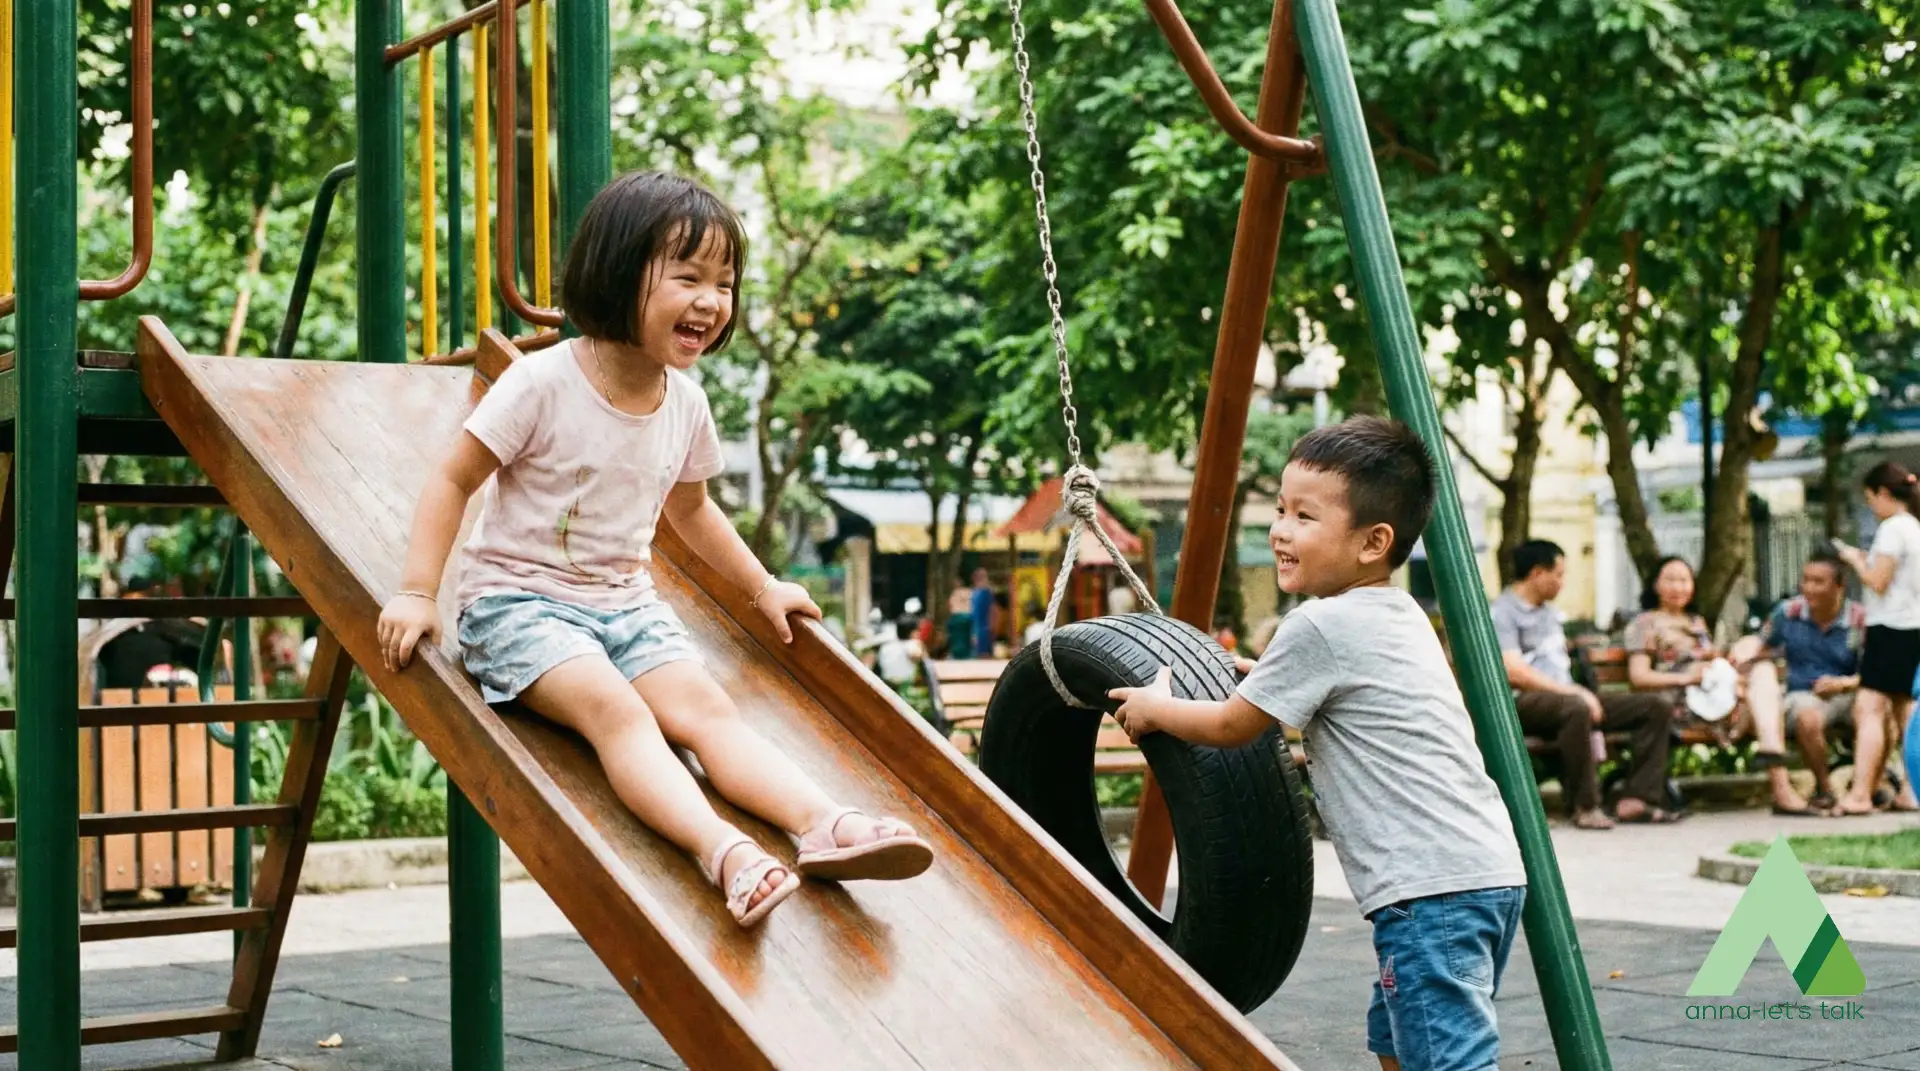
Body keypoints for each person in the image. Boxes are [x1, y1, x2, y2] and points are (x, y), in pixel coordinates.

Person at [376, 171, 932, 929]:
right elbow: (453, 477)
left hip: (626, 605)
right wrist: (416, 590)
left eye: (725, 282)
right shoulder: (542, 383)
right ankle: (725, 853)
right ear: (617, 270)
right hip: (516, 606)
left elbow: (693, 510)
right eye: (688, 276)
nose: (710, 299)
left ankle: (822, 823)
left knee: (710, 711)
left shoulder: (688, 402)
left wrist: (762, 584)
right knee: (618, 711)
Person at [1108, 417, 1526, 1071]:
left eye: (1305, 516)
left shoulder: (1320, 625)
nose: (1279, 529)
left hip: (1427, 889)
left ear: (1372, 541)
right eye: (1281, 509)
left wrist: (1157, 709)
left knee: (1447, 1059)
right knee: (1397, 1038)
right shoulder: (1399, 611)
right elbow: (1333, 691)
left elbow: (1230, 726)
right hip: (1483, 871)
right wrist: (1260, 675)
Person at [1491, 540, 1675, 828]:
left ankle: (1638, 798)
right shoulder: (1503, 612)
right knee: (1576, 708)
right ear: (1538, 573)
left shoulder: (1548, 612)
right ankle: (1585, 806)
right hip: (1522, 702)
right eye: (1559, 574)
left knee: (1655, 706)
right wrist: (1574, 691)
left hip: (1565, 700)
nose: (1563, 583)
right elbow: (1512, 670)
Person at [1626, 556, 1807, 812]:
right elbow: (1639, 677)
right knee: (1765, 701)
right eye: (1670, 580)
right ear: (1655, 585)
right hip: (1679, 705)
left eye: (1684, 580)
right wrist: (1687, 678)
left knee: (1763, 670)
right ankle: (1782, 788)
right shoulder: (1645, 623)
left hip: (1716, 698)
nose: (1678, 587)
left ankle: (1774, 762)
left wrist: (1733, 678)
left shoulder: (1696, 622)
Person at [1832, 461, 1920, 815]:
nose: (1871, 506)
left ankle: (1859, 794)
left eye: (1871, 499)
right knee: (1905, 712)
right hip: (1914, 627)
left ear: (1883, 494)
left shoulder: (1892, 529)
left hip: (1891, 628)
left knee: (1868, 708)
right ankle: (1912, 793)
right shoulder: (1915, 527)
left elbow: (1878, 581)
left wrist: (1855, 560)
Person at [1756, 552, 1866, 815]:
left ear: (1839, 586)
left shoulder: (1860, 620)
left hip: (1849, 691)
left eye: (1818, 582)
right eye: (1805, 580)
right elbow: (1760, 645)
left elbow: (1876, 673)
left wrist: (1843, 684)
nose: (1809, 588)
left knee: (1877, 710)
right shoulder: (1788, 613)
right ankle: (1825, 790)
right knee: (1808, 718)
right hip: (1803, 694)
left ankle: (1870, 787)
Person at [970, 568, 995, 657]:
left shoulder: (986, 592)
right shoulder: (975, 591)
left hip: (984, 627)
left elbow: (991, 609)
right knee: (978, 651)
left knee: (984, 653)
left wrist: (992, 624)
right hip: (977, 625)